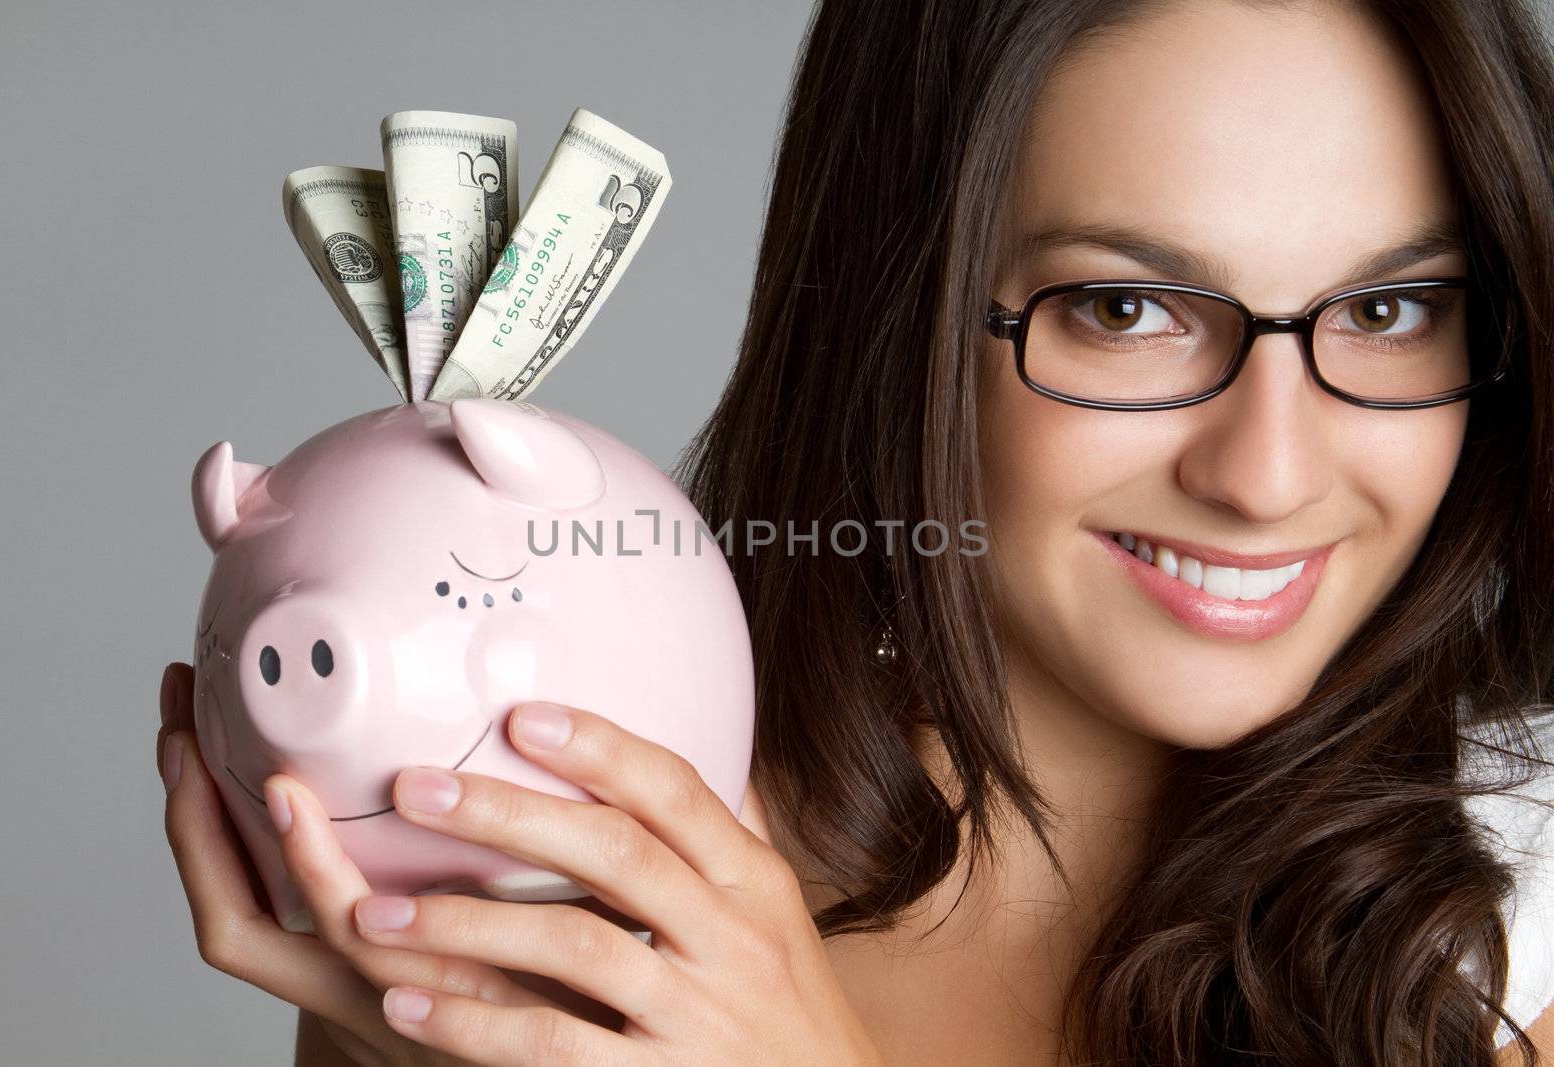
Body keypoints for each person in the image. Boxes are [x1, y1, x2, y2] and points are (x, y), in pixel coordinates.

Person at [155, 0, 1554, 1062]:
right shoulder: (570, 875)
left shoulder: (1517, 921)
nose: (1268, 473)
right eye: (1122, 308)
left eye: (1386, 311)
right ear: (901, 320)